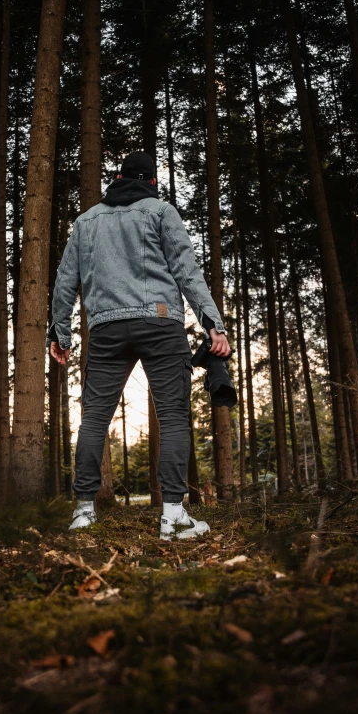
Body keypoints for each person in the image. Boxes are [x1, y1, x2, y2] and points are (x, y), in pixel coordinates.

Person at [49, 151, 231, 539]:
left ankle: (83, 511)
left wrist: (60, 335)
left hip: (106, 330)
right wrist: (213, 323)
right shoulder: (161, 211)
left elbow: (66, 281)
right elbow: (187, 270)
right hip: (160, 323)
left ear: (117, 178)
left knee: (94, 418)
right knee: (173, 418)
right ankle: (172, 516)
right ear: (151, 182)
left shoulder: (85, 221)